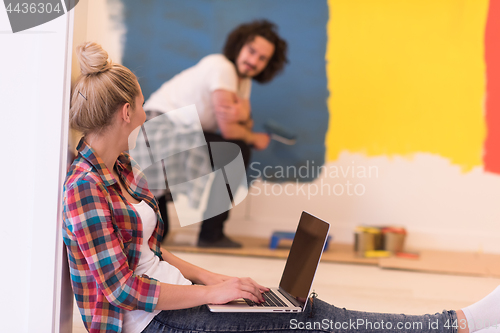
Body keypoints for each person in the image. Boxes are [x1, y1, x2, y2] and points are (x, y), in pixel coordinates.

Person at [64, 42, 499, 333]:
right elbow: (122, 290)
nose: (143, 111)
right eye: (139, 104)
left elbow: (148, 253)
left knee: (296, 311)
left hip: (169, 296)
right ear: (127, 112)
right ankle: (456, 324)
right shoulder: (86, 186)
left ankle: (454, 324)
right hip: (146, 322)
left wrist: (214, 278)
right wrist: (212, 292)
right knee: (304, 319)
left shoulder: (119, 168)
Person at [141, 19, 288, 248]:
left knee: (160, 233)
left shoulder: (242, 81)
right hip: (158, 131)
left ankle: (209, 233)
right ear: (239, 45)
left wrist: (245, 118)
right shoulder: (222, 67)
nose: (253, 61)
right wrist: (253, 136)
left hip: (180, 136)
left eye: (262, 58)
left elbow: (241, 126)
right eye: (251, 51)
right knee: (238, 149)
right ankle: (211, 234)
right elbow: (231, 130)